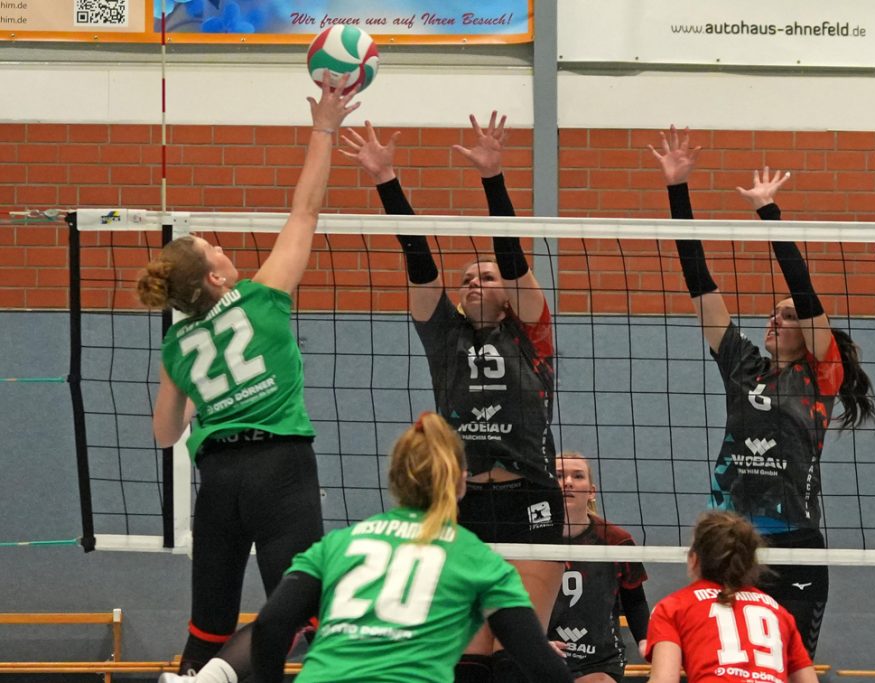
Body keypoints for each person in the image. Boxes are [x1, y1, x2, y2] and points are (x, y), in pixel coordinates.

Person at [137, 78, 361, 676]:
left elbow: (165, 434)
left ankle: (196, 676)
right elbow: (305, 210)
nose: (222, 248)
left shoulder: (177, 345)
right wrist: (324, 129)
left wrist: (207, 397)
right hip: (279, 470)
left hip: (218, 482)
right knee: (302, 616)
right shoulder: (262, 299)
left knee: (208, 627)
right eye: (214, 248)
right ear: (215, 278)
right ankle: (215, 677)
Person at [341, 111, 564, 682]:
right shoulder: (445, 335)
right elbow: (420, 265)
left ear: (509, 294)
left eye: (486, 277)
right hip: (458, 502)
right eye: (467, 280)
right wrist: (386, 181)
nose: (474, 283)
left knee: (519, 651)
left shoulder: (532, 333)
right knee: (466, 657)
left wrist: (493, 177)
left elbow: (513, 260)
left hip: (529, 498)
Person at [649, 126, 875, 658]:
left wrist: (768, 214)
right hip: (728, 536)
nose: (775, 320)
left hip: (795, 539)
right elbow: (700, 285)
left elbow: (805, 291)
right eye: (773, 314)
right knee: (721, 660)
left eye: (788, 316)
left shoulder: (822, 375)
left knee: (784, 662)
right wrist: (677, 189)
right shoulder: (741, 365)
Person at [248, 412, 574, 683]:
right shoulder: (475, 559)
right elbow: (540, 664)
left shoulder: (337, 545)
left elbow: (269, 625)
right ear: (461, 481)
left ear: (394, 478)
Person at [644, 511, 817, 683]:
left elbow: (664, 680)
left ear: (693, 559)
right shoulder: (777, 612)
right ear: (750, 563)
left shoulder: (673, 607)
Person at [547, 453, 649, 683]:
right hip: (542, 652)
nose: (568, 482)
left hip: (599, 660)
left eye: (578, 476)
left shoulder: (616, 540)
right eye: (559, 476)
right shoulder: (529, 540)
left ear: (591, 491)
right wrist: (533, 643)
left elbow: (635, 601)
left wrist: (645, 640)